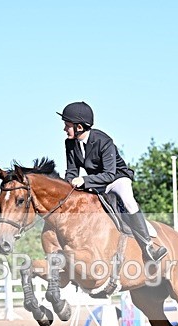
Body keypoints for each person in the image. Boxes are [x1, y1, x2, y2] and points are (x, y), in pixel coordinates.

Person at [58, 101, 168, 261]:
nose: (64, 129)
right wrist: (68, 187)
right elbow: (71, 171)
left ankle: (148, 247)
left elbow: (109, 175)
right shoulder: (70, 143)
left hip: (117, 178)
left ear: (79, 127)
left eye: (67, 125)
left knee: (129, 202)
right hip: (96, 183)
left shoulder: (104, 141)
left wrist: (84, 180)